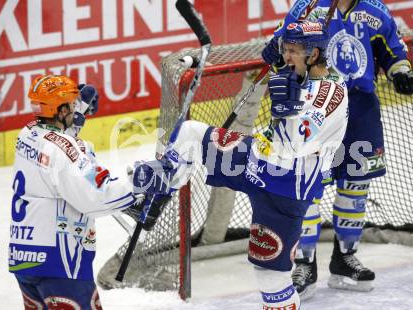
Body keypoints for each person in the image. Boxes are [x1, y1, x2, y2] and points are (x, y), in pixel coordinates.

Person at [126, 20, 349, 309]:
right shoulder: (298, 72)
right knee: (191, 134)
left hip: (287, 187)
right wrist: (275, 54)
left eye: (293, 51)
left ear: (315, 55)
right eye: (286, 49)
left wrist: (287, 111)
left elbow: (294, 146)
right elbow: (275, 61)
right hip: (255, 158)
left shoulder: (331, 95)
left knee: (271, 277)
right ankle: (154, 200)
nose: (287, 56)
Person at [261, 0, 413, 300]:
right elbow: (281, 47)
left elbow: (393, 52)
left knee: (355, 186)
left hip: (361, 108)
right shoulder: (308, 8)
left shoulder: (375, 11)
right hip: (316, 105)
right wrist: (277, 49)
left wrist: (402, 74)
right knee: (308, 186)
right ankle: (303, 262)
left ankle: (344, 257)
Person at [9, 75, 145, 309]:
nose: (75, 107)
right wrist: (137, 186)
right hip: (59, 262)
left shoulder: (27, 134)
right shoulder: (63, 150)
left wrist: (75, 109)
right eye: (71, 104)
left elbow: (56, 146)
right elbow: (96, 196)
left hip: (24, 256)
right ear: (61, 110)